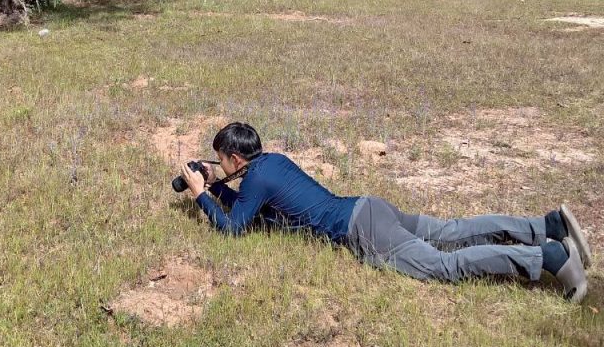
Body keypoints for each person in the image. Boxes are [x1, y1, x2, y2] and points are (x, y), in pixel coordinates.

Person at [178, 123, 592, 303]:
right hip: (368, 207)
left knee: (444, 265)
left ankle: (548, 257)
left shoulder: (254, 180)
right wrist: (216, 186)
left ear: (235, 158)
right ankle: (546, 226)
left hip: (363, 231)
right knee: (452, 230)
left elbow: (233, 231)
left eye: (220, 160)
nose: (219, 166)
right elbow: (251, 211)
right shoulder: (271, 163)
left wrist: (201, 196)